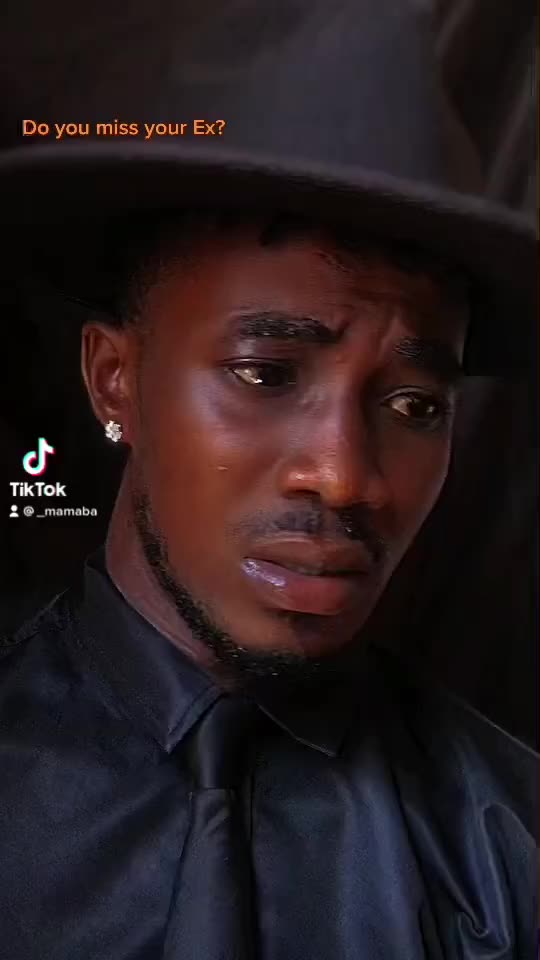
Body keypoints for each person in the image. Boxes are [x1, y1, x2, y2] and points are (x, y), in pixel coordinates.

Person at [0, 2, 536, 958]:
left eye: (415, 404)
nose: (344, 477)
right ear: (114, 379)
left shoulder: (509, 849)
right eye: (266, 374)